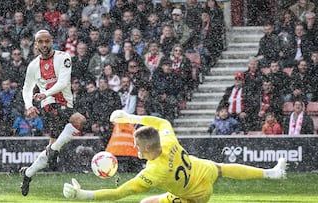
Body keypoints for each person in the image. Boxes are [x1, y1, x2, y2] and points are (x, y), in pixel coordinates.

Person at [63, 110, 287, 202]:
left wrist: (83, 194)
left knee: (145, 202)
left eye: (138, 146)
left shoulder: (154, 172)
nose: (135, 149)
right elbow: (160, 122)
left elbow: (119, 193)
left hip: (196, 195)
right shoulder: (168, 140)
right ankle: (271, 173)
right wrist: (128, 117)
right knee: (221, 168)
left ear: (149, 148)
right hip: (198, 170)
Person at [20, 29, 87, 196]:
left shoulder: (63, 57)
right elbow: (27, 88)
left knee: (51, 149)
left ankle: (27, 173)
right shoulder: (33, 66)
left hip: (65, 102)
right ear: (35, 44)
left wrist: (45, 92)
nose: (44, 45)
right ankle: (54, 150)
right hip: (49, 104)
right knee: (80, 121)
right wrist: (29, 105)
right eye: (40, 42)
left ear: (52, 41)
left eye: (47, 41)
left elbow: (64, 82)